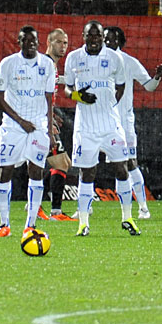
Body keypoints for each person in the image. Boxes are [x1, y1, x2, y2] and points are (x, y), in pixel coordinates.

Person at [63, 20, 139, 237]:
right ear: (83, 36)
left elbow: (122, 85)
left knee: (121, 169)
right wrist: (78, 96)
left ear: (103, 38)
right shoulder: (73, 58)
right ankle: (83, 223)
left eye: (98, 36)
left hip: (111, 126)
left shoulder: (114, 58)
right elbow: (67, 88)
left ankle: (128, 218)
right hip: (85, 128)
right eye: (90, 36)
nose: (94, 40)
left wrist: (109, 105)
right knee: (87, 173)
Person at [0, 25, 56, 238]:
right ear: (19, 42)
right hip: (12, 128)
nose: (31, 44)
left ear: (39, 43)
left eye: (34, 41)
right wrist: (20, 120)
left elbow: (49, 98)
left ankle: (31, 224)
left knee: (36, 171)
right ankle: (4, 224)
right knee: (5, 171)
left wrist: (49, 129)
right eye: (26, 40)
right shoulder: (8, 64)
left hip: (37, 127)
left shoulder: (47, 65)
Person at [103, 26, 162, 220]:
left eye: (111, 40)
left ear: (119, 42)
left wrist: (157, 77)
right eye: (105, 39)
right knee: (86, 165)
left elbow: (149, 86)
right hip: (99, 123)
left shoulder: (129, 62)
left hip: (123, 124)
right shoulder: (97, 62)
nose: (107, 43)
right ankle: (83, 209)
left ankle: (143, 208)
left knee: (130, 163)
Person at [39, 28, 77, 221]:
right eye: (58, 42)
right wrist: (47, 123)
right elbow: (40, 96)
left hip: (43, 120)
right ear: (48, 42)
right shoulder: (45, 65)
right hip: (38, 124)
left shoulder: (50, 66)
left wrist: (51, 117)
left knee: (61, 163)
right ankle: (54, 212)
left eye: (65, 43)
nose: (63, 46)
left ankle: (37, 204)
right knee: (61, 163)